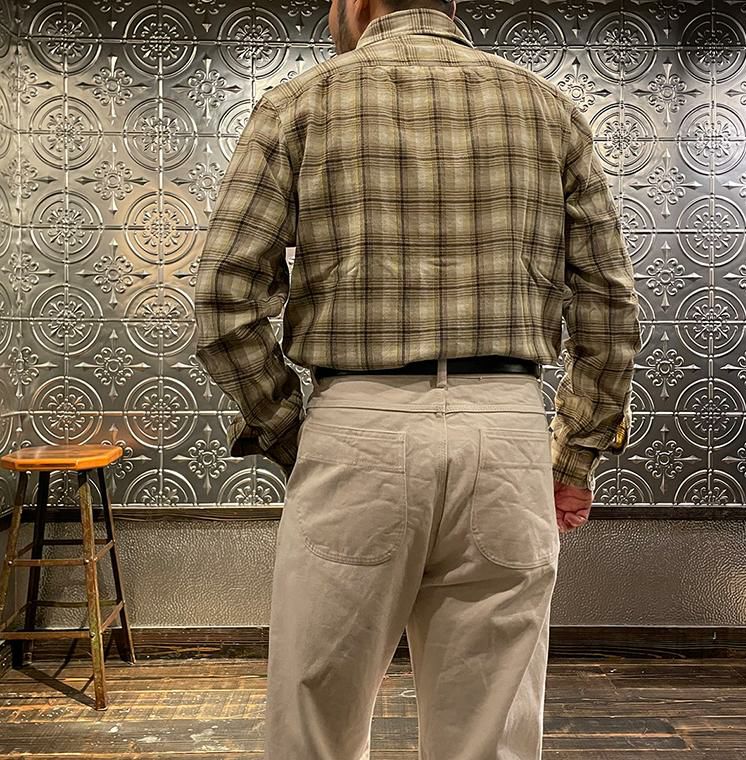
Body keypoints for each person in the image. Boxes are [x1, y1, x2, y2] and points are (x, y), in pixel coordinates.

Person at [193, 0, 642, 757]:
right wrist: (572, 457)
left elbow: (222, 298)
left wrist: (292, 434)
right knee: (490, 734)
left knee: (316, 724)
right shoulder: (548, 109)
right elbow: (608, 302)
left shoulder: (299, 103)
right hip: (506, 430)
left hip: (356, 423)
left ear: (358, 2)